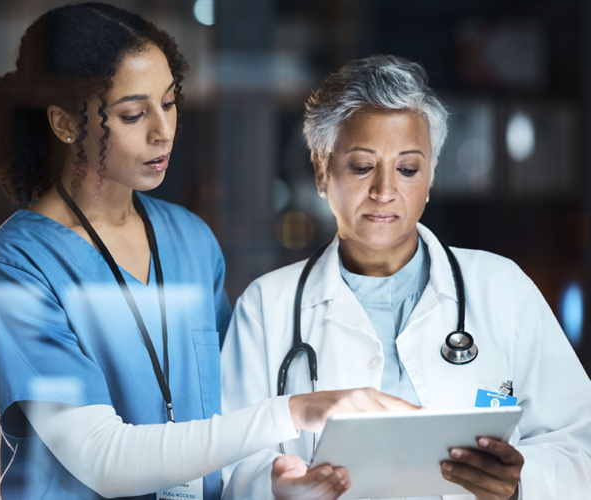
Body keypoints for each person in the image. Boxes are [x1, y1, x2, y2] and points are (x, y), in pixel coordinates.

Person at [0, 6, 417, 500]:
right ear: (65, 124)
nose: (163, 131)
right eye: (133, 114)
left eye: (170, 103)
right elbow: (101, 460)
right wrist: (295, 409)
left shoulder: (190, 239)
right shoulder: (15, 269)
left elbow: (226, 422)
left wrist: (281, 483)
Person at [221, 55, 591, 500]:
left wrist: (518, 486)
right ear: (321, 172)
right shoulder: (267, 307)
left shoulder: (501, 288)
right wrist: (278, 489)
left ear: (431, 176)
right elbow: (229, 464)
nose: (384, 191)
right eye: (361, 166)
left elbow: (579, 445)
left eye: (408, 168)